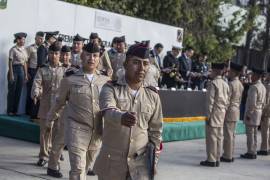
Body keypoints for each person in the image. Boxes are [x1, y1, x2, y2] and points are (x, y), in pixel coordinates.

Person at [93, 42, 163, 180]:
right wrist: (121, 117)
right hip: (112, 164)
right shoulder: (110, 88)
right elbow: (108, 110)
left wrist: (153, 161)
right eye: (136, 62)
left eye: (145, 63)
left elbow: (156, 132)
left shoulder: (153, 96)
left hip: (140, 167)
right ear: (125, 64)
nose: (142, 68)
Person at [46, 42, 109, 179]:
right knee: (78, 170)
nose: (91, 58)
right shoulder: (70, 79)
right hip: (76, 130)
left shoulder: (106, 81)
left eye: (95, 56)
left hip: (97, 133)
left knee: (85, 168)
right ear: (81, 55)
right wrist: (49, 120)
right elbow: (59, 102)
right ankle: (53, 164)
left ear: (99, 58)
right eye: (88, 55)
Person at [31, 43, 66, 167]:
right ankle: (43, 156)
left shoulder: (65, 70)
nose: (53, 56)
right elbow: (37, 83)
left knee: (58, 133)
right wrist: (36, 93)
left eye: (56, 53)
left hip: (60, 108)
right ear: (48, 54)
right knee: (45, 132)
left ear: (60, 54)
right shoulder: (42, 69)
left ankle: (55, 155)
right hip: (46, 105)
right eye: (51, 53)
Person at [200, 63, 229, 167]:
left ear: (216, 71)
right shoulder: (225, 83)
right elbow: (227, 101)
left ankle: (211, 159)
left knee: (211, 137)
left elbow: (210, 102)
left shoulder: (213, 83)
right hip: (222, 112)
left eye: (211, 71)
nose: (210, 73)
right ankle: (217, 158)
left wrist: (208, 116)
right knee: (219, 137)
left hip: (213, 113)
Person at [241, 68, 266, 159]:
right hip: (259, 111)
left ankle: (250, 152)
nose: (251, 77)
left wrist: (249, 114)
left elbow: (252, 103)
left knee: (250, 133)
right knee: (254, 133)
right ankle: (254, 150)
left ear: (257, 76)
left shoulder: (254, 87)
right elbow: (264, 102)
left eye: (253, 75)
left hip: (252, 112)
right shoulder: (262, 86)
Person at [220, 62, 244, 162]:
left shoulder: (231, 84)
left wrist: (223, 111)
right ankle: (230, 153)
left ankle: (227, 155)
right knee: (232, 134)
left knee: (228, 135)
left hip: (230, 110)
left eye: (230, 71)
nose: (228, 73)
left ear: (234, 73)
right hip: (236, 110)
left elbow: (227, 100)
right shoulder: (240, 84)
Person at [7, 32, 28, 116]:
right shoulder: (13, 49)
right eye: (22, 39)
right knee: (12, 91)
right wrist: (11, 74)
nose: (23, 41)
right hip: (14, 70)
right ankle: (10, 111)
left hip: (21, 70)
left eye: (24, 40)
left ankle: (15, 111)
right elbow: (10, 62)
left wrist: (26, 74)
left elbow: (25, 63)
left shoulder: (24, 50)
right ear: (18, 40)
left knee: (19, 91)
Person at [26, 31, 44, 119]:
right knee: (30, 91)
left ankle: (34, 112)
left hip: (40, 71)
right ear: (35, 38)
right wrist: (27, 73)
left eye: (42, 38)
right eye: (39, 38)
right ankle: (27, 111)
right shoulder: (30, 48)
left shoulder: (44, 48)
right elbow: (26, 61)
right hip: (32, 71)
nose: (40, 40)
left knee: (38, 92)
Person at [258, 68, 270, 155]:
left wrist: (263, 112)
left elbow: (266, 101)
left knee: (265, 130)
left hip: (267, 112)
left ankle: (264, 148)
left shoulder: (267, 85)